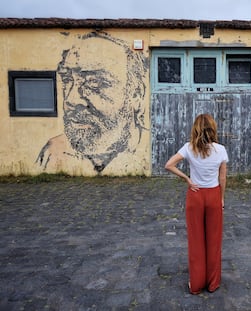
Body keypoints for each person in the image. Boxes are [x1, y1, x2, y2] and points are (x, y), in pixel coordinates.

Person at [36, 31, 148, 175]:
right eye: (67, 80)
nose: (71, 100)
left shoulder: (151, 147)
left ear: (135, 95)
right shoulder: (53, 151)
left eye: (95, 82)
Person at [165, 114, 228, 295]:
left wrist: (187, 179)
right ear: (213, 128)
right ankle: (213, 283)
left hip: (195, 195)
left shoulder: (189, 148)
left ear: (196, 129)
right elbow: (222, 177)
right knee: (214, 241)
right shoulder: (221, 150)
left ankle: (196, 284)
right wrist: (221, 198)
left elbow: (169, 164)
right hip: (214, 195)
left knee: (196, 240)